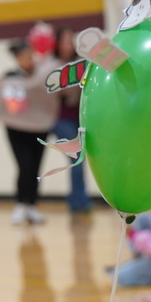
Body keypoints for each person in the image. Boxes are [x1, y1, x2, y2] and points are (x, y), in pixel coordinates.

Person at [0, 39, 58, 226]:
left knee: (36, 168)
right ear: (16, 58)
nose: (27, 59)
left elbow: (49, 97)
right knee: (25, 166)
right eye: (22, 56)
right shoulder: (9, 77)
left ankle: (33, 206)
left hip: (39, 129)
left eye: (29, 54)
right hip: (16, 129)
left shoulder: (42, 75)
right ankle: (21, 204)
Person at [52, 27, 91, 215]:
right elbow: (54, 94)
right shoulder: (54, 66)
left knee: (81, 159)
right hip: (62, 120)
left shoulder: (80, 64)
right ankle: (78, 201)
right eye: (64, 41)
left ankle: (79, 199)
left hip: (80, 118)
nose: (68, 45)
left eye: (70, 40)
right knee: (77, 158)